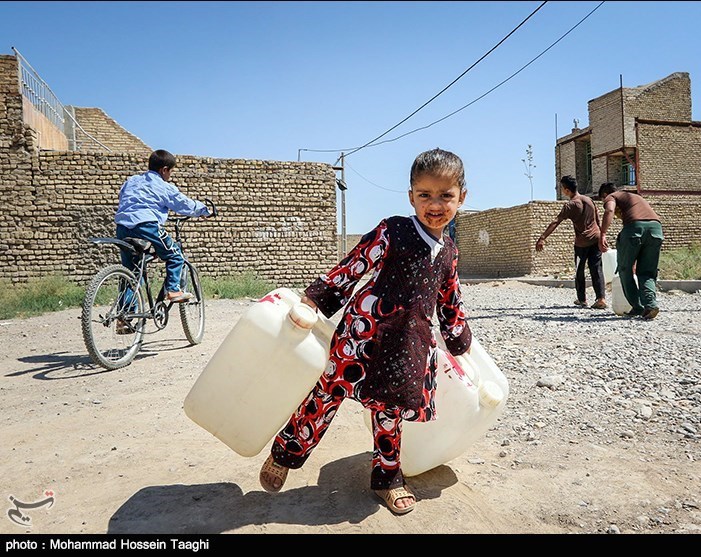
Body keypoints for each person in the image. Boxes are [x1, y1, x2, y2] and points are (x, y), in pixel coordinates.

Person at [258, 148, 473, 516]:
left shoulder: (449, 251)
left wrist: (457, 337)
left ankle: (388, 479)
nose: (434, 204)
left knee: (388, 412)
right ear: (411, 196)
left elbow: (450, 298)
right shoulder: (393, 230)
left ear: (461, 197)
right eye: (424, 195)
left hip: (406, 344)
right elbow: (354, 265)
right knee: (325, 397)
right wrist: (314, 302)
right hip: (362, 336)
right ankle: (286, 453)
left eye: (445, 195)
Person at [114, 149, 211, 312]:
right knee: (175, 255)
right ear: (164, 169)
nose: (170, 175)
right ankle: (173, 290)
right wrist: (204, 210)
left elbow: (123, 197)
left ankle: (125, 316)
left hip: (122, 227)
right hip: (146, 225)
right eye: (171, 171)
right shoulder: (163, 186)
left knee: (132, 272)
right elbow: (184, 204)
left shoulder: (132, 181)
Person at [536, 175, 606, 309]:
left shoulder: (571, 205)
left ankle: (582, 300)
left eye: (562, 188)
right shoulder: (589, 200)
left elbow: (556, 221)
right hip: (596, 238)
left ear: (567, 190)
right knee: (596, 269)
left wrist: (542, 237)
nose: (562, 190)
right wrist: (602, 236)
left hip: (582, 243)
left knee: (579, 270)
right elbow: (598, 219)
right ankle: (601, 298)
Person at [598, 182, 664, 320]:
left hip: (634, 229)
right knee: (647, 272)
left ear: (605, 195)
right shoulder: (634, 197)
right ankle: (650, 305)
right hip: (656, 229)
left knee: (624, 270)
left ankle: (638, 307)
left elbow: (609, 210)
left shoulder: (611, 197)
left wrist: (602, 234)